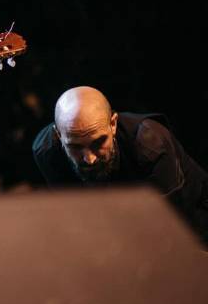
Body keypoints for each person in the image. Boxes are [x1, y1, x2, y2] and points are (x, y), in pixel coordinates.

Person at [32, 86, 208, 243]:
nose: (89, 159)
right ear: (58, 135)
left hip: (193, 216)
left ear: (113, 124)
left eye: (98, 143)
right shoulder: (47, 151)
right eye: (75, 147)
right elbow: (75, 213)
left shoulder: (151, 143)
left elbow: (169, 224)